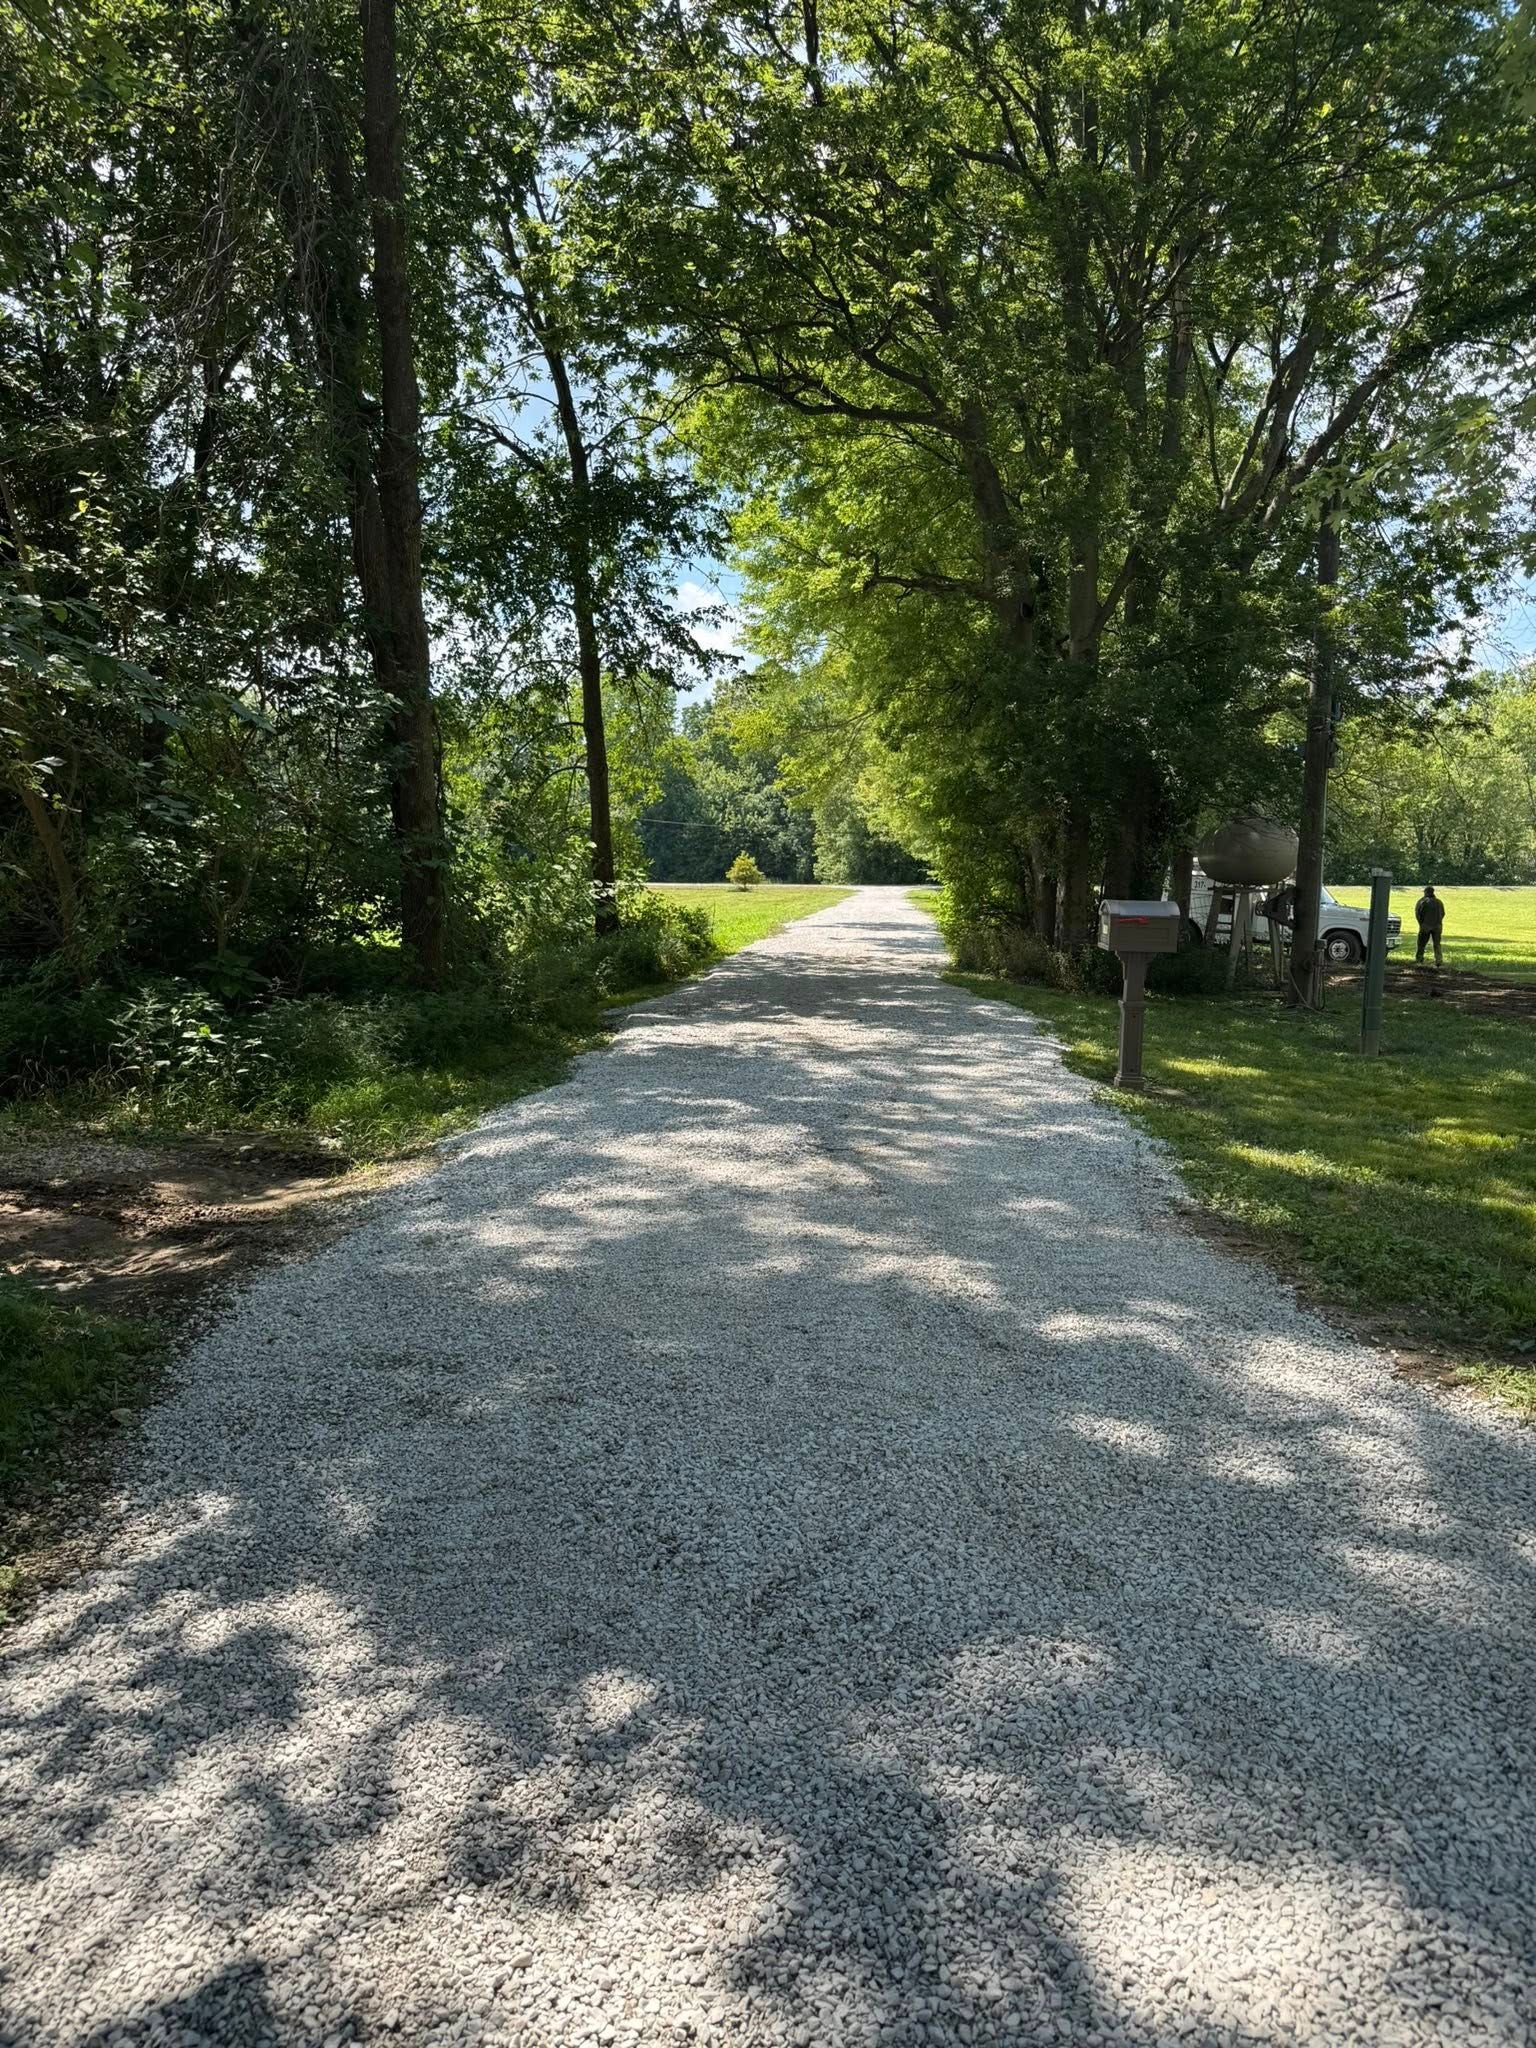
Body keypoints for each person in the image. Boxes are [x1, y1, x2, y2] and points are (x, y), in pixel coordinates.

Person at [1415, 884, 1445, 966]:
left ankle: (1419, 959)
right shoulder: (1439, 902)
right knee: (1437, 944)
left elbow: (1419, 914)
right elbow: (1443, 913)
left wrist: (1421, 924)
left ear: (1426, 892)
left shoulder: (1423, 902)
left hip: (1425, 926)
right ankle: (1439, 960)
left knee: (1421, 944)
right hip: (1437, 926)